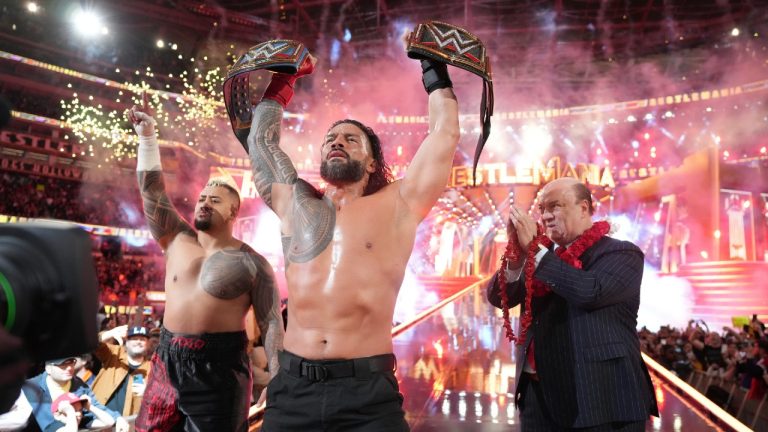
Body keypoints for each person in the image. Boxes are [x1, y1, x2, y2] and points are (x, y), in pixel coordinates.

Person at [244, 43, 459, 430]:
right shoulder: (297, 204)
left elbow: (444, 135)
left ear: (372, 162)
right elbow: (261, 144)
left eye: (350, 139)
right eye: (331, 139)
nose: (337, 142)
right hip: (293, 389)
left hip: (367, 395)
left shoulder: (398, 204)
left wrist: (434, 69)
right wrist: (282, 81)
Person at [127, 96, 284, 432]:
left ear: (233, 212)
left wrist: (278, 376)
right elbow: (151, 192)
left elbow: (271, 323)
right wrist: (147, 138)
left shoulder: (253, 264)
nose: (204, 203)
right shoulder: (175, 238)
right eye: (201, 198)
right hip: (167, 360)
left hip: (220, 370)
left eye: (215, 200)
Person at [487, 177, 658, 431]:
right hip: (538, 399)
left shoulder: (621, 253)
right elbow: (500, 297)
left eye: (555, 206)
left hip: (600, 399)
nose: (545, 216)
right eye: (542, 209)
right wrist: (516, 258)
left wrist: (534, 250)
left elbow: (589, 291)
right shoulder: (541, 256)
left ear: (584, 208)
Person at [23, 357, 121, 432]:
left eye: (72, 362)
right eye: (63, 364)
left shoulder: (79, 384)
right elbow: (50, 426)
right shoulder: (32, 387)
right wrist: (70, 412)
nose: (69, 368)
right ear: (48, 368)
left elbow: (97, 408)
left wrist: (118, 418)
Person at [90, 325, 151, 418]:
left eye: (142, 339)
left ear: (148, 344)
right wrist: (109, 333)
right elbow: (93, 344)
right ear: (127, 342)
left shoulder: (151, 368)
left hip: (124, 422)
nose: (138, 341)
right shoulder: (114, 353)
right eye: (134, 338)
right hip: (96, 415)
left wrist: (148, 392)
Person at [48, 392, 115, 432]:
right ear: (58, 416)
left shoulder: (81, 422)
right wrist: (70, 412)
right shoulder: (55, 427)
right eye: (73, 410)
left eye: (80, 410)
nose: (79, 414)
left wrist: (89, 407)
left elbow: (109, 422)